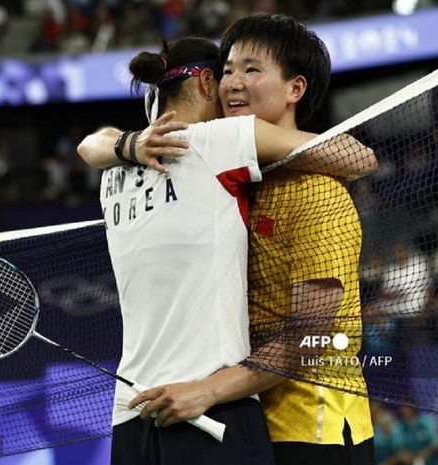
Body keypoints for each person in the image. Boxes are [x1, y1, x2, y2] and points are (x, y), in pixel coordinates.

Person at [77, 35, 375, 465]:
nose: (233, 87)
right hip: (208, 412)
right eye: (227, 74)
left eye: (249, 71)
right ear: (204, 83)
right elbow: (358, 157)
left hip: (134, 413)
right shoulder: (221, 141)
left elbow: (92, 143)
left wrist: (127, 145)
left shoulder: (115, 170)